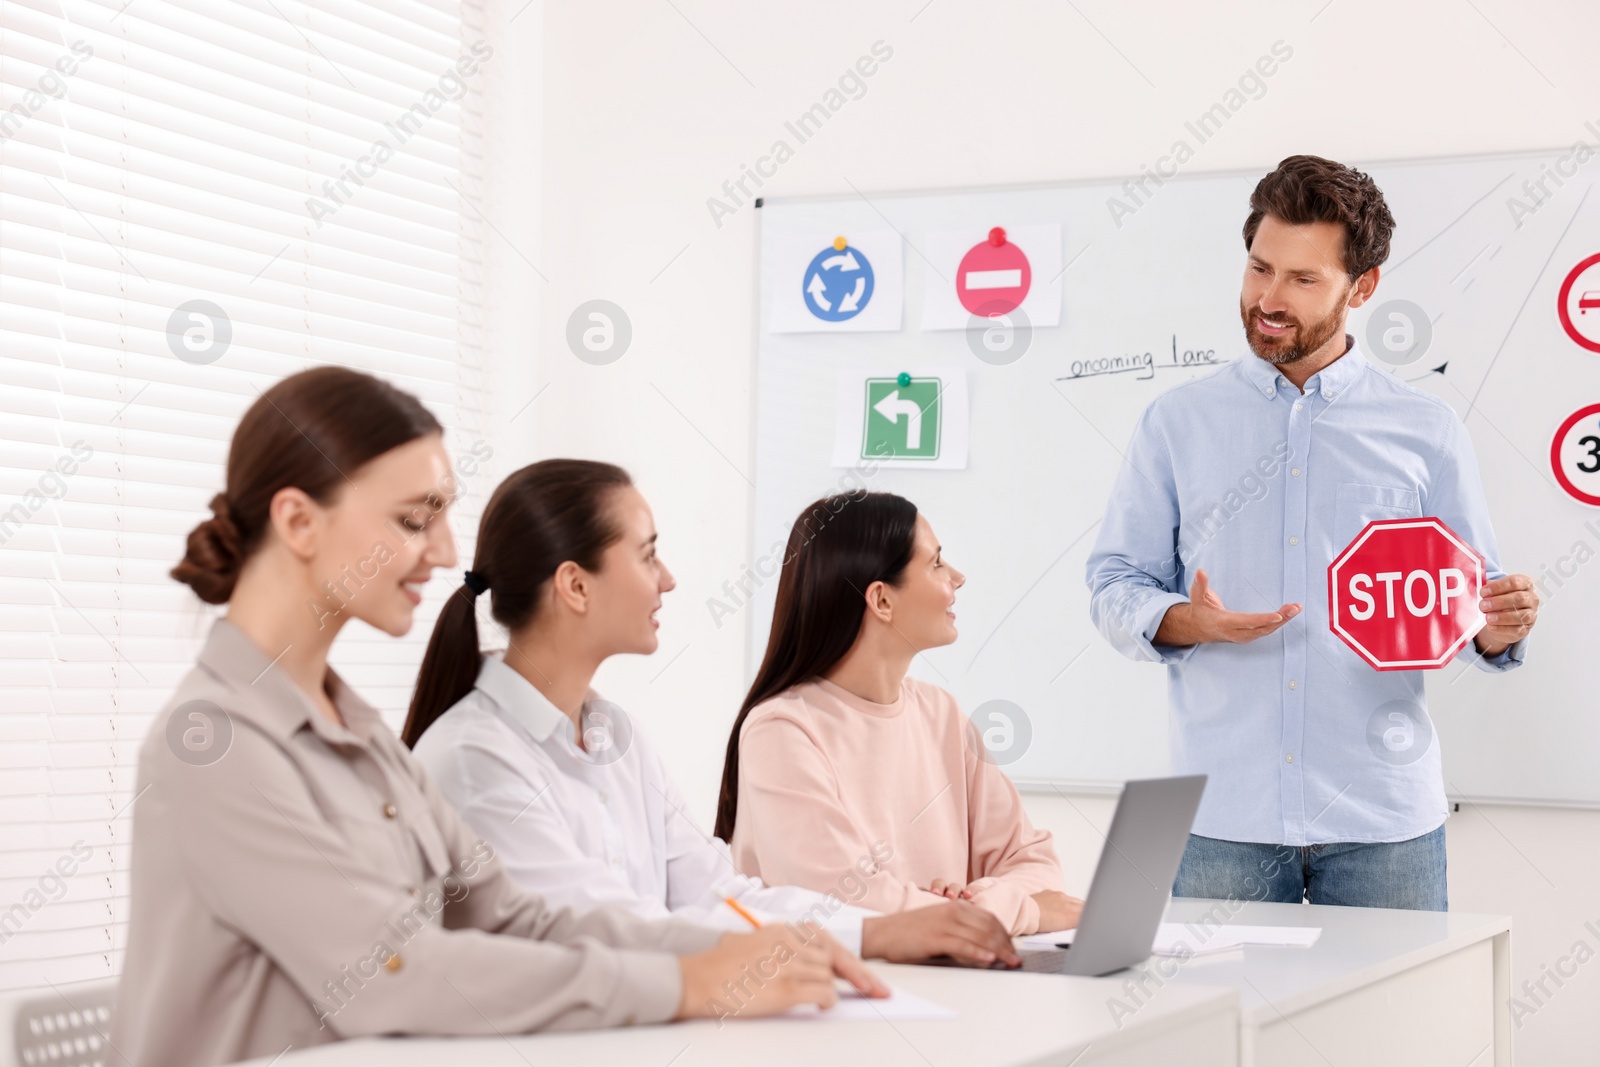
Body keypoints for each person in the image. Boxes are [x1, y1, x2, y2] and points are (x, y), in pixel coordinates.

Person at [112, 369, 883, 1067]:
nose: (446, 552)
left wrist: (750, 950)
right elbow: (391, 975)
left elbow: (515, 917)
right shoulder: (214, 746)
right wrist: (688, 979)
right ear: (300, 521)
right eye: (415, 520)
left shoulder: (360, 734)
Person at [1085, 154, 1540, 911]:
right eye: (1260, 267)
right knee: (1215, 1028)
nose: (1268, 298)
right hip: (1220, 815)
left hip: (1384, 818)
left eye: (1303, 279)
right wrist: (1182, 619)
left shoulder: (1424, 430)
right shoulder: (1177, 423)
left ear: (1363, 287)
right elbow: (1112, 583)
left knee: (1394, 1031)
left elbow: (1468, 606)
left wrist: (1500, 625)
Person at [403, 460, 1019, 968]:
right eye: (647, 557)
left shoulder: (616, 736)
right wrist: (872, 935)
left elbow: (717, 895)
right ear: (575, 585)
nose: (667, 580)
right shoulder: (474, 758)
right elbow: (607, 930)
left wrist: (880, 932)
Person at [717, 491, 1080, 937]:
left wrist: (974, 902)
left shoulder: (941, 713)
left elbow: (1033, 861)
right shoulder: (781, 731)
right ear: (882, 600)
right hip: (843, 995)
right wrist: (1015, 912)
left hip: (950, 978)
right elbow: (846, 904)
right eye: (936, 564)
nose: (958, 578)